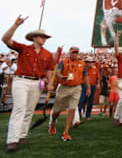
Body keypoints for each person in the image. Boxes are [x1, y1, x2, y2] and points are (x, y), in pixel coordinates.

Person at [2, 15, 54, 152]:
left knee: (30, 110)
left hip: (37, 83)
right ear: (34, 38)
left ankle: (22, 135)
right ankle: (12, 140)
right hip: (21, 80)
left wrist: (50, 83)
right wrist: (15, 25)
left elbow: (49, 70)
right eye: (42, 36)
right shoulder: (24, 48)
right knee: (19, 109)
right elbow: (5, 39)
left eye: (45, 37)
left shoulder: (48, 54)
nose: (44, 39)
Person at [49, 46, 90, 141]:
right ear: (69, 53)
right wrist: (61, 77)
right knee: (57, 110)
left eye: (76, 52)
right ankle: (53, 122)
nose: (74, 54)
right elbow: (57, 72)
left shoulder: (82, 63)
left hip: (76, 88)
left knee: (72, 109)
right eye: (73, 52)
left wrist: (88, 88)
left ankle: (66, 132)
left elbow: (86, 76)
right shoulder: (63, 62)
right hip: (64, 87)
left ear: (78, 53)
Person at [77, 56, 100, 121]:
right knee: (81, 100)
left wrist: (98, 84)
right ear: (85, 63)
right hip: (83, 85)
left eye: (91, 62)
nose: (90, 63)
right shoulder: (82, 69)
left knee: (90, 101)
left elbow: (98, 78)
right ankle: (78, 115)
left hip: (92, 86)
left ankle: (88, 115)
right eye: (89, 62)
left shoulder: (95, 69)